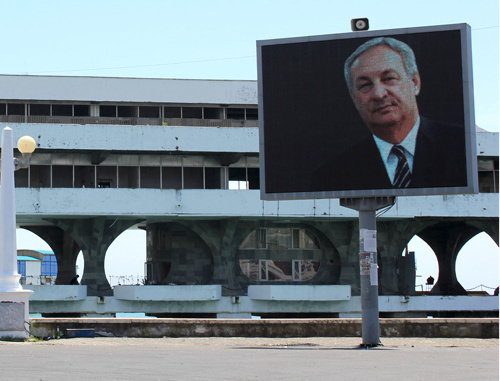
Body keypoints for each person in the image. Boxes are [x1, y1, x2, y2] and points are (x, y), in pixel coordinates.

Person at [312, 37, 467, 191]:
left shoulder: (463, 145)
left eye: (388, 78)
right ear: (354, 98)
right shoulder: (333, 175)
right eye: (365, 85)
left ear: (414, 82)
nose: (379, 94)